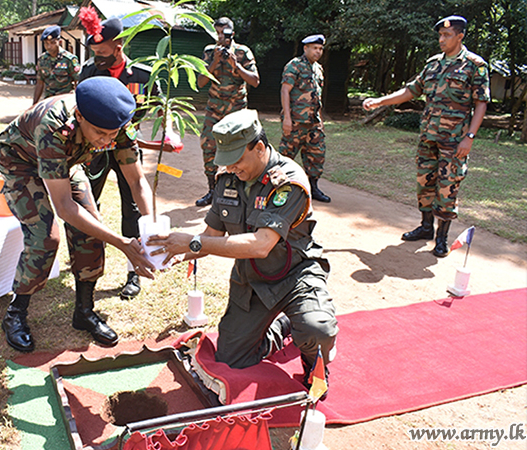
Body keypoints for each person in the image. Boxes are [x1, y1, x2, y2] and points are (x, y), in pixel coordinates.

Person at [148, 109, 338, 395]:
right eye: (228, 162)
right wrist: (175, 253)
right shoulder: (228, 181)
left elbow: (261, 245)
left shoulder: (288, 182)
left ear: (259, 148)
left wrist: (192, 243)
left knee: (316, 330)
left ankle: (314, 360)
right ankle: (284, 327)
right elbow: (211, 235)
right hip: (251, 280)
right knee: (232, 359)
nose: (232, 168)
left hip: (296, 275)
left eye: (237, 160)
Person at [0, 77, 156, 352]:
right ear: (79, 115)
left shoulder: (118, 124)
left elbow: (137, 180)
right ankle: (16, 314)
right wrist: (122, 244)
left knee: (91, 228)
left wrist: (153, 227)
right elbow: (65, 207)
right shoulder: (54, 126)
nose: (106, 141)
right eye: (99, 134)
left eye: (112, 135)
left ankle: (84, 311)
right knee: (45, 238)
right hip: (22, 160)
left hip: (66, 161)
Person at [363, 15, 489, 257]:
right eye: (440, 35)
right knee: (424, 184)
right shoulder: (433, 64)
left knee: (447, 187)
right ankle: (425, 227)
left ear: (460, 36)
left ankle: (441, 239)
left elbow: (481, 103)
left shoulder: (474, 65)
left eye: (447, 35)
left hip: (454, 141)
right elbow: (411, 91)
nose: (441, 39)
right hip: (428, 138)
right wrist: (380, 101)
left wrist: (469, 137)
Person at [78, 15, 174, 299]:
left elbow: (160, 107)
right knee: (86, 202)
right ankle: (87, 264)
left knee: (131, 209)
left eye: (102, 53)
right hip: (93, 149)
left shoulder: (143, 75)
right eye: (94, 53)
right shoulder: (89, 72)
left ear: (118, 46)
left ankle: (134, 270)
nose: (98, 59)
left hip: (126, 145)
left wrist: (168, 132)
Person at [195, 17, 259, 207]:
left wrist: (236, 65)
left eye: (226, 33)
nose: (222, 37)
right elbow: (200, 82)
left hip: (236, 112)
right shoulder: (209, 51)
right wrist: (214, 62)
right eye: (218, 33)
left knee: (241, 150)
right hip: (214, 110)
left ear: (233, 33)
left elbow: (255, 81)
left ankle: (239, 192)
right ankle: (212, 191)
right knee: (208, 147)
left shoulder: (242, 52)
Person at [279, 34, 330, 203]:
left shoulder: (318, 69)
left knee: (316, 156)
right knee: (286, 156)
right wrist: (287, 118)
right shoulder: (294, 65)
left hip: (314, 123)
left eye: (320, 49)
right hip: (295, 122)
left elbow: (318, 98)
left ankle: (313, 187)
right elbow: (285, 90)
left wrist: (320, 121)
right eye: (315, 48)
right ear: (305, 48)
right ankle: (279, 188)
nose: (318, 51)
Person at [33, 25, 81, 104]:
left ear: (60, 42)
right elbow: (40, 83)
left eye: (52, 43)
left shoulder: (69, 59)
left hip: (65, 101)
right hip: (49, 101)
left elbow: (77, 81)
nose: (49, 46)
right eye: (46, 43)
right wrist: (34, 104)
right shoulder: (42, 60)